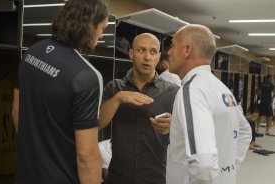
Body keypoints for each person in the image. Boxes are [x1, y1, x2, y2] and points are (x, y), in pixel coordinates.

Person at [12, 0, 109, 183]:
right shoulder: (86, 76)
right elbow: (86, 156)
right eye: (101, 28)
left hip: (25, 176)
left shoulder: (30, 53)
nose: (102, 35)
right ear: (88, 26)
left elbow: (17, 115)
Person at [166, 24, 252, 184]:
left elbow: (204, 165)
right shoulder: (221, 88)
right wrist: (228, 170)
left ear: (187, 50)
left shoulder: (192, 90)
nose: (168, 52)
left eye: (172, 45)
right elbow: (245, 131)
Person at [99, 33, 179, 184]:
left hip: (156, 177)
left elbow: (186, 135)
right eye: (141, 50)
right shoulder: (114, 87)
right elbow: (98, 123)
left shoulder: (172, 92)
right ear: (131, 53)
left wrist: (173, 126)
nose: (147, 57)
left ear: (159, 56)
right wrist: (118, 99)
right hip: (119, 177)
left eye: (153, 52)